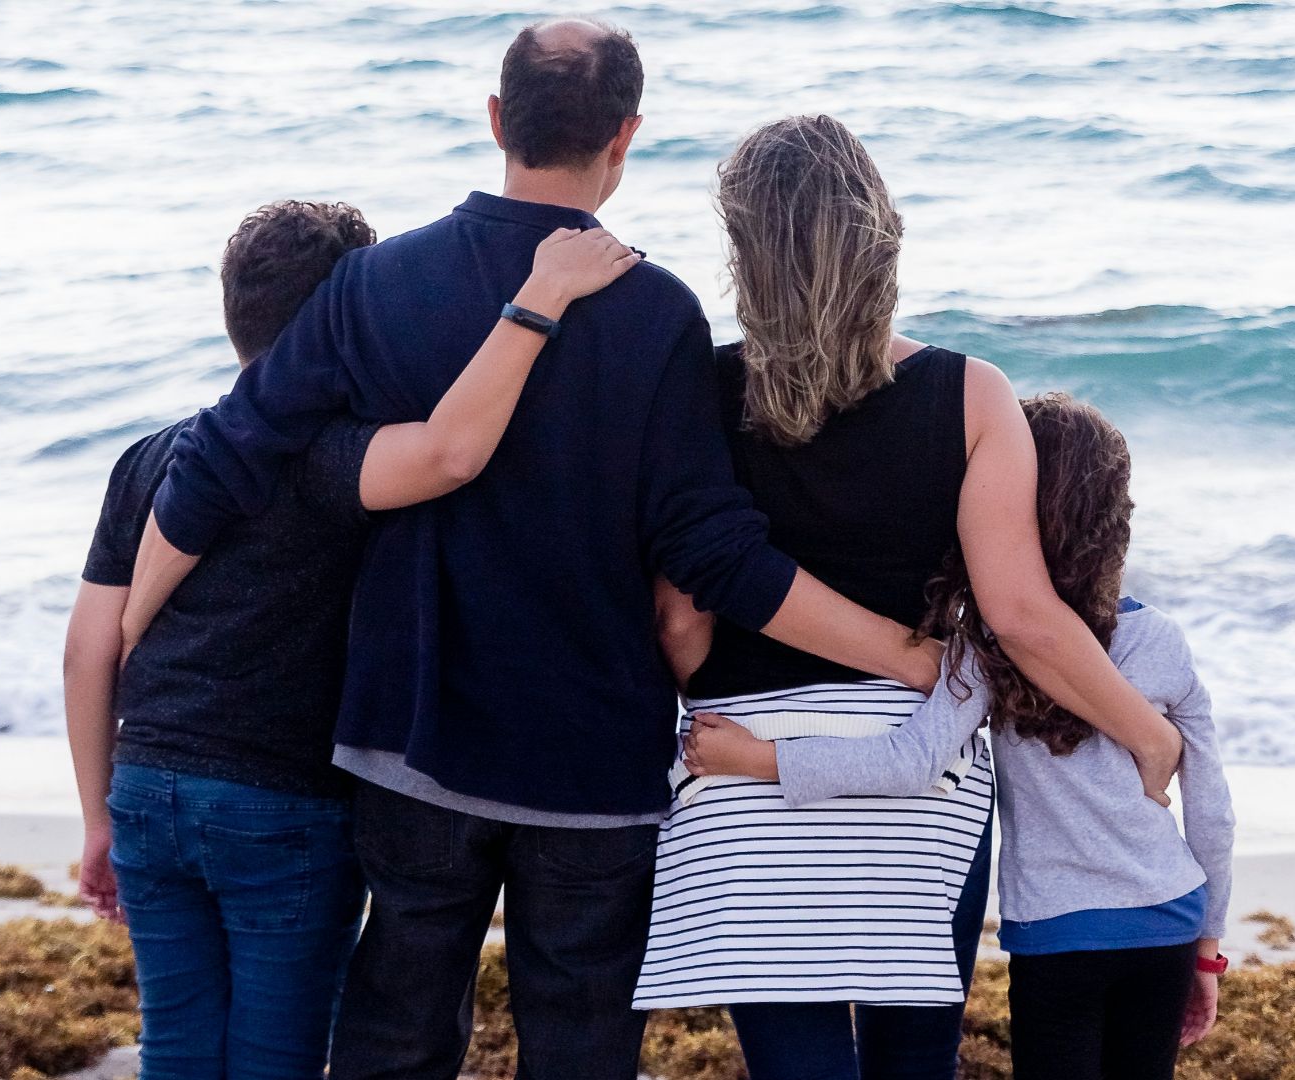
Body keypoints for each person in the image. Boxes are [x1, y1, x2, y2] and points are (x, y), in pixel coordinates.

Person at [117, 20, 943, 1080]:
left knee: (395, 1036)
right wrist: (900, 651)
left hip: (410, 739)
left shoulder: (377, 285)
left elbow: (228, 455)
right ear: (627, 136)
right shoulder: (657, 315)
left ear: (498, 119)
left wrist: (133, 626)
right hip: (592, 762)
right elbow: (714, 553)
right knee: (583, 1044)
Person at [632, 116, 1188, 1080]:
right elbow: (1022, 618)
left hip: (746, 779)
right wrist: (1147, 734)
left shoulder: (699, 392)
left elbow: (680, 622)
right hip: (917, 781)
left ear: (744, 252)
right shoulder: (973, 394)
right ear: (881, 233)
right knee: (915, 1059)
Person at [64, 201, 640, 1079]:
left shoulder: (151, 457)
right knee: (279, 1055)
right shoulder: (336, 460)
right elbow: (453, 451)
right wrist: (540, 301)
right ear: (349, 318)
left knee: (176, 1045)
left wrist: (96, 813)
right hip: (283, 803)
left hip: (148, 786)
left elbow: (86, 650)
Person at [686, 394, 1238, 1080]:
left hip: (1059, 936)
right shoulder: (1161, 640)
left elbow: (910, 762)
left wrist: (759, 758)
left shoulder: (986, 643)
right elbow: (1211, 810)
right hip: (1170, 921)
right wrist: (1209, 948)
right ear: (1114, 517)